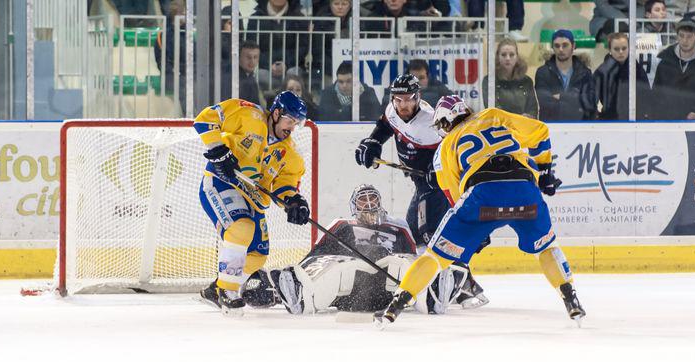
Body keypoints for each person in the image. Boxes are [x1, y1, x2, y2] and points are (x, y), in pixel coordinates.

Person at [375, 96, 586, 327]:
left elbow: (455, 197)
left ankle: (394, 307)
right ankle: (571, 300)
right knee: (546, 247)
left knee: (434, 257)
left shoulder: (445, 147)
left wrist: (476, 229)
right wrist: (545, 172)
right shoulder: (492, 115)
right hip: (525, 190)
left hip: (481, 196)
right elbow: (540, 131)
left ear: (446, 121)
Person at [243, 184, 486, 314]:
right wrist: (304, 274)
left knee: (403, 262)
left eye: (373, 200)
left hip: (390, 288)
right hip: (348, 288)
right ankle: (301, 294)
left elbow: (412, 257)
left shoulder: (398, 226)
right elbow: (315, 258)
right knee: (337, 266)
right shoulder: (341, 224)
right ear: (354, 206)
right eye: (363, 201)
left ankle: (432, 296)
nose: (369, 205)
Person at [355, 74, 488, 308]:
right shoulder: (393, 110)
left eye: (408, 99)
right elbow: (385, 126)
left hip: (437, 186)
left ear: (418, 97)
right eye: (398, 99)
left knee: (433, 237)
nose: (403, 105)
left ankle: (466, 289)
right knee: (412, 236)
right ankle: (437, 284)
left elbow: (454, 151)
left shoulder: (430, 122)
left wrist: (437, 169)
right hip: (421, 185)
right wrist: (373, 142)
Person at [194, 91, 311, 315]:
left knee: (258, 255)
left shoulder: (291, 154)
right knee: (242, 228)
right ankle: (227, 291)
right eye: (290, 121)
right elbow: (205, 119)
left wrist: (293, 201)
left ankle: (216, 289)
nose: (292, 127)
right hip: (222, 182)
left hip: (253, 199)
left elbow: (284, 185)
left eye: (297, 123)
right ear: (276, 113)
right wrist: (218, 150)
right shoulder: (248, 114)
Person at [535, 29, 597, 121]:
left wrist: (562, 97)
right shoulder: (543, 72)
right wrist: (576, 99)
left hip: (579, 125)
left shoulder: (584, 73)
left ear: (573, 46)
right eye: (557, 46)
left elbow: (590, 101)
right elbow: (543, 101)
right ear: (552, 47)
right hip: (552, 125)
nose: (561, 49)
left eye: (565, 45)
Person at [593, 32, 652, 120]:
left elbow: (646, 97)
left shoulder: (637, 70)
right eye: (616, 49)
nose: (621, 52)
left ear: (629, 48)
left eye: (624, 48)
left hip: (635, 119)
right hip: (609, 119)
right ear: (610, 50)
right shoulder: (602, 71)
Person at [482, 38, 539, 119]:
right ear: (498, 57)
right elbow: (492, 110)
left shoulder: (527, 81)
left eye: (511, 55)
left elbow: (533, 109)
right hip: (500, 125)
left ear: (517, 57)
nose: (508, 58)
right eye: (503, 55)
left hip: (523, 124)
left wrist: (527, 118)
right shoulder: (489, 81)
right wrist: (515, 119)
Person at [317, 61, 381, 121]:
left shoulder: (368, 94)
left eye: (349, 81)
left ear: (356, 80)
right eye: (341, 82)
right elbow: (323, 120)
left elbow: (376, 118)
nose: (344, 85)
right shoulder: (327, 95)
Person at [378, 59, 453, 109]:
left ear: (428, 77)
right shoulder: (397, 86)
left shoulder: (438, 87)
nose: (417, 82)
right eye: (413, 79)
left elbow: (453, 102)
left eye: (421, 78)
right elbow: (385, 105)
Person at [221, 41, 266, 106]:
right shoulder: (232, 78)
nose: (252, 61)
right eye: (248, 57)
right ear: (238, 58)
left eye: (255, 57)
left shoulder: (249, 76)